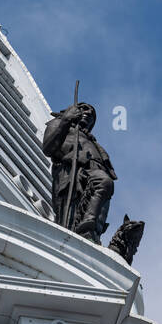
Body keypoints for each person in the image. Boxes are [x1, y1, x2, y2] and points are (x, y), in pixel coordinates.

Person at [42, 101, 116, 244]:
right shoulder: (60, 124)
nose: (87, 113)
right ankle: (84, 227)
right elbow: (48, 147)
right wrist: (66, 120)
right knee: (104, 181)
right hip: (73, 174)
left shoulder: (91, 141)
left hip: (93, 175)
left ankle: (90, 230)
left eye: (91, 115)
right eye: (83, 109)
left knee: (105, 186)